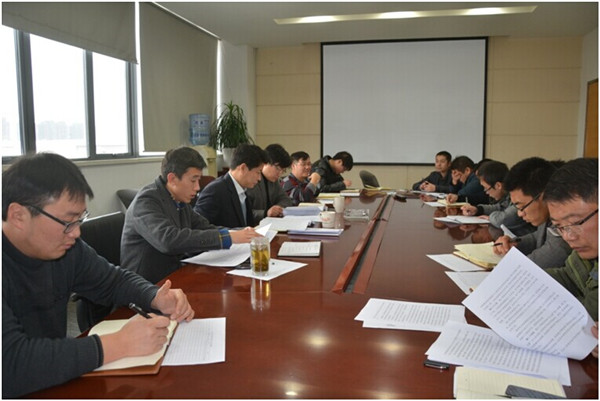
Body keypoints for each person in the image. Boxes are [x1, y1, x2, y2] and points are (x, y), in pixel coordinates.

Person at [2, 153, 195, 398]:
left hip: (53, 383)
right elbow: (10, 365)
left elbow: (113, 280)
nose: (76, 233)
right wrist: (118, 344)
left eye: (80, 219)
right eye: (68, 222)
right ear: (18, 215)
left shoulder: (68, 249)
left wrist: (154, 296)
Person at [121, 147, 259, 284]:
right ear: (172, 179)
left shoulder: (179, 199)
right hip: (147, 286)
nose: (197, 187)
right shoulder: (146, 201)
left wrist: (241, 233)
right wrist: (228, 237)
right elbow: (169, 240)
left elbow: (204, 227)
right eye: (193, 180)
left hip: (175, 276)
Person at [544, 158, 598, 352]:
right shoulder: (589, 252)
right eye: (559, 226)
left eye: (575, 223)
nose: (568, 236)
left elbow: (590, 313)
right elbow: (569, 276)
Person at [493, 157, 571, 268]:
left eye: (522, 207)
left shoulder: (567, 222)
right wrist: (514, 244)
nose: (520, 214)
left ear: (545, 196)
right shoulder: (546, 213)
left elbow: (553, 254)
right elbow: (538, 236)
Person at [194, 144, 269, 228]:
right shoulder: (215, 191)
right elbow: (198, 227)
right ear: (243, 168)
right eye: (258, 172)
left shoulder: (242, 190)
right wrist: (232, 233)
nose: (259, 178)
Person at [460, 160, 535, 236]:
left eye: (486, 188)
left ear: (498, 185)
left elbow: (501, 220)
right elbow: (500, 207)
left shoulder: (519, 197)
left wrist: (490, 217)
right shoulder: (507, 196)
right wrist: (478, 209)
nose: (486, 192)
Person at [246, 143, 293, 221]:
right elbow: (244, 213)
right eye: (278, 168)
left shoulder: (274, 181)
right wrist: (266, 213)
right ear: (266, 163)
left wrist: (278, 208)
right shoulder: (251, 180)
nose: (280, 173)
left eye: (283, 170)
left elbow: (286, 199)